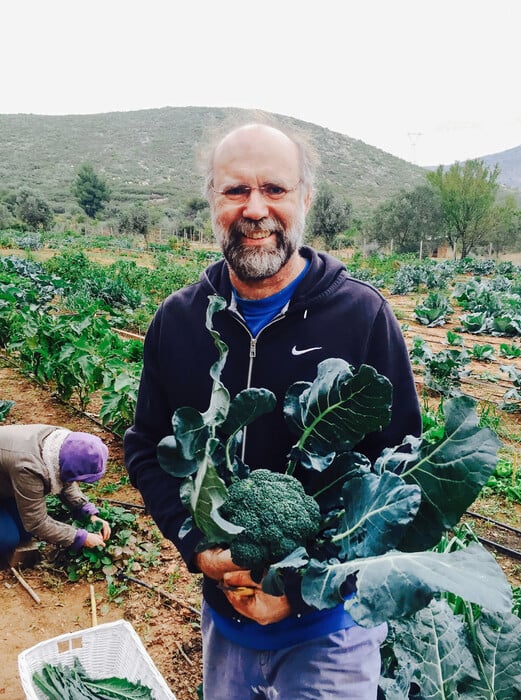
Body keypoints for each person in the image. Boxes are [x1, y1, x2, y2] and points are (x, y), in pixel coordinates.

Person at [124, 122, 421, 699]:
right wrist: (199, 549)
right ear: (212, 201)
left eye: (275, 189)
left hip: (334, 629)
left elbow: (402, 474)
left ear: (305, 199)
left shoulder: (361, 317)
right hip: (224, 623)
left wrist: (308, 585)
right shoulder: (179, 321)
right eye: (235, 191)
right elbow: (145, 445)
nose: (254, 208)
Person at [0, 424, 111, 561]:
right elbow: (37, 523)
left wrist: (88, 512)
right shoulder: (28, 467)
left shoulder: (61, 443)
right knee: (7, 539)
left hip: (5, 480)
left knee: (24, 533)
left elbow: (65, 480)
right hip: (12, 473)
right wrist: (80, 537)